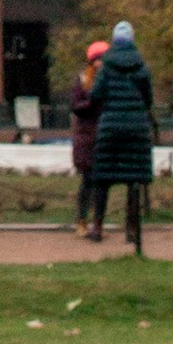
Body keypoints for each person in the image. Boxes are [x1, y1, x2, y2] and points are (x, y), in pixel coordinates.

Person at [85, 16, 156, 244]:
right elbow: (148, 99)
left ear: (114, 42)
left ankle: (97, 226)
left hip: (110, 127)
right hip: (136, 128)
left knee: (103, 179)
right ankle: (132, 229)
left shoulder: (106, 68)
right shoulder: (142, 68)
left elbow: (95, 95)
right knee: (133, 180)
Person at [68, 35, 110, 237]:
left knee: (100, 183)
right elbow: (75, 106)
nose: (101, 63)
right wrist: (92, 103)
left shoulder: (110, 80)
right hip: (86, 138)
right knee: (87, 181)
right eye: (98, 59)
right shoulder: (83, 80)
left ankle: (97, 223)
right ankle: (82, 220)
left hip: (103, 135)